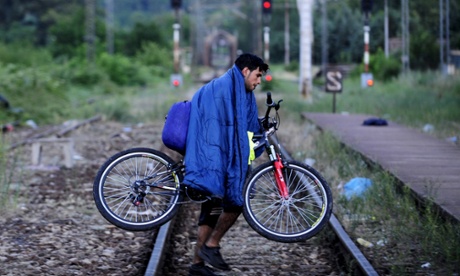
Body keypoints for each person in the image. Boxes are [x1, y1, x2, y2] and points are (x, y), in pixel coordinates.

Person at [183, 53, 269, 276]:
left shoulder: (239, 90)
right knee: (234, 201)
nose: (258, 81)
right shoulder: (224, 89)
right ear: (245, 71)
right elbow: (219, 126)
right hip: (211, 157)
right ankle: (211, 246)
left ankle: (197, 264)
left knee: (212, 209)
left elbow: (239, 124)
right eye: (257, 76)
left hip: (219, 158)